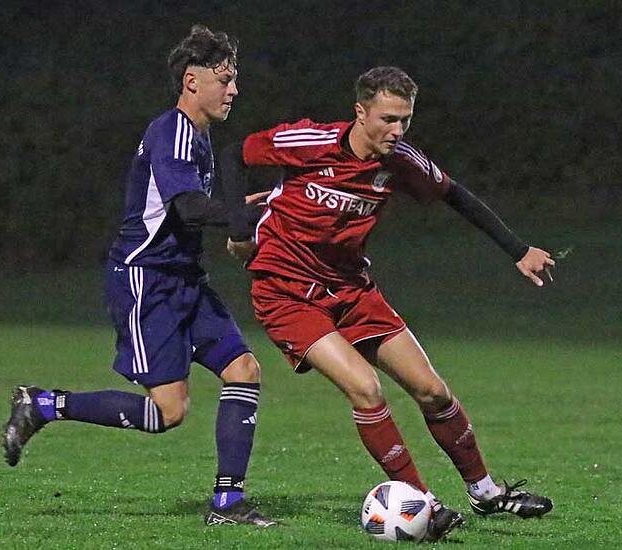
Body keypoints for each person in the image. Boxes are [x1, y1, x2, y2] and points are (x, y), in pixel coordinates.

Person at [226, 66, 555, 540]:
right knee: (366, 389)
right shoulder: (311, 142)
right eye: (388, 119)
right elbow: (236, 153)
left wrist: (517, 250)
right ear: (360, 112)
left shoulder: (400, 160)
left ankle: (485, 492)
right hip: (287, 292)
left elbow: (454, 194)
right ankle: (424, 505)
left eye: (405, 120)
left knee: (433, 391)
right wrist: (238, 226)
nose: (397, 131)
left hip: (351, 288)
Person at [1, 25, 275, 528]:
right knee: (167, 413)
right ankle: (43, 404)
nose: (234, 89)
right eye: (225, 79)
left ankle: (228, 504)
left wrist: (244, 212)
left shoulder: (200, 136)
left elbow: (197, 213)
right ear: (192, 80)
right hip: (147, 282)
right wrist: (247, 214)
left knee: (244, 369)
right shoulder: (172, 131)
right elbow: (190, 209)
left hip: (186, 280)